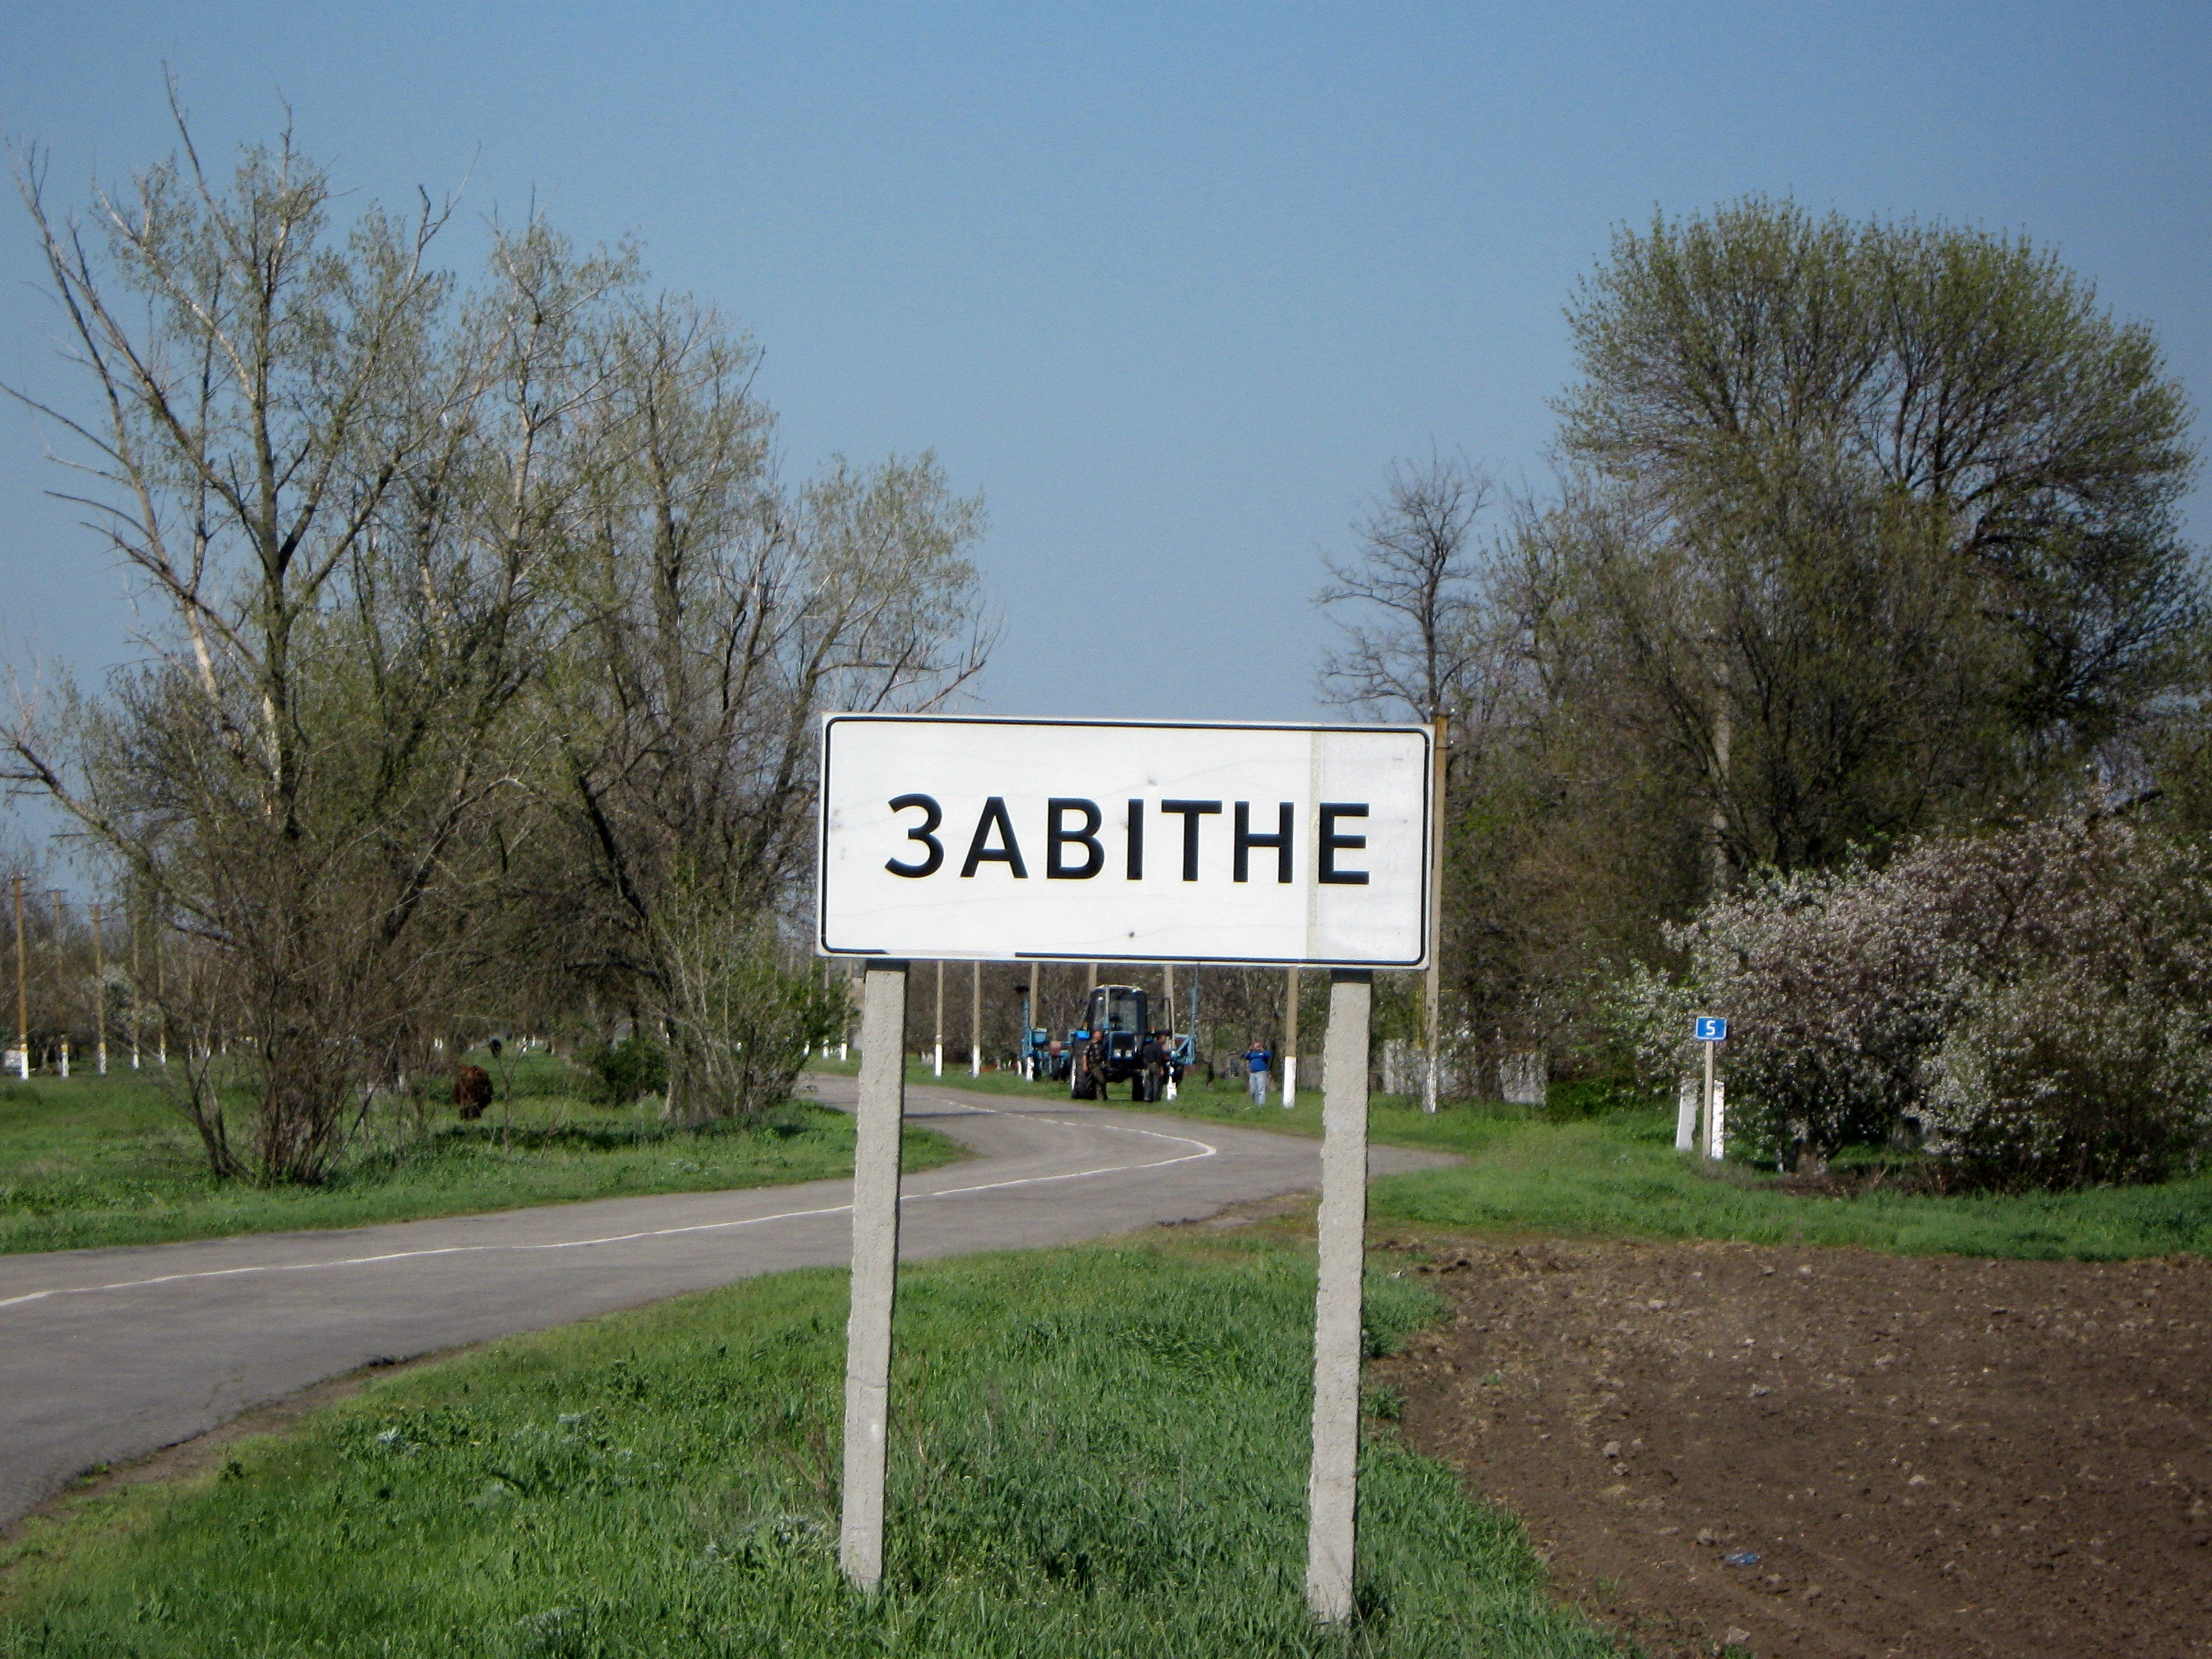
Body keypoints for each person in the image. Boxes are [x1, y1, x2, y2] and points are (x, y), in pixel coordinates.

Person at [1244, 1039, 1271, 1105]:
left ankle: (1261, 1105)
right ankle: (1255, 1103)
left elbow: (1269, 1055)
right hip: (1253, 1073)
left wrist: (1262, 1050)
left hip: (1261, 1072)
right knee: (1253, 1090)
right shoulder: (1252, 1054)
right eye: (1255, 1046)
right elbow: (1246, 1056)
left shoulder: (1263, 1053)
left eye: (1258, 1046)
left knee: (1261, 1089)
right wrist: (1249, 1050)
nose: (1257, 1048)